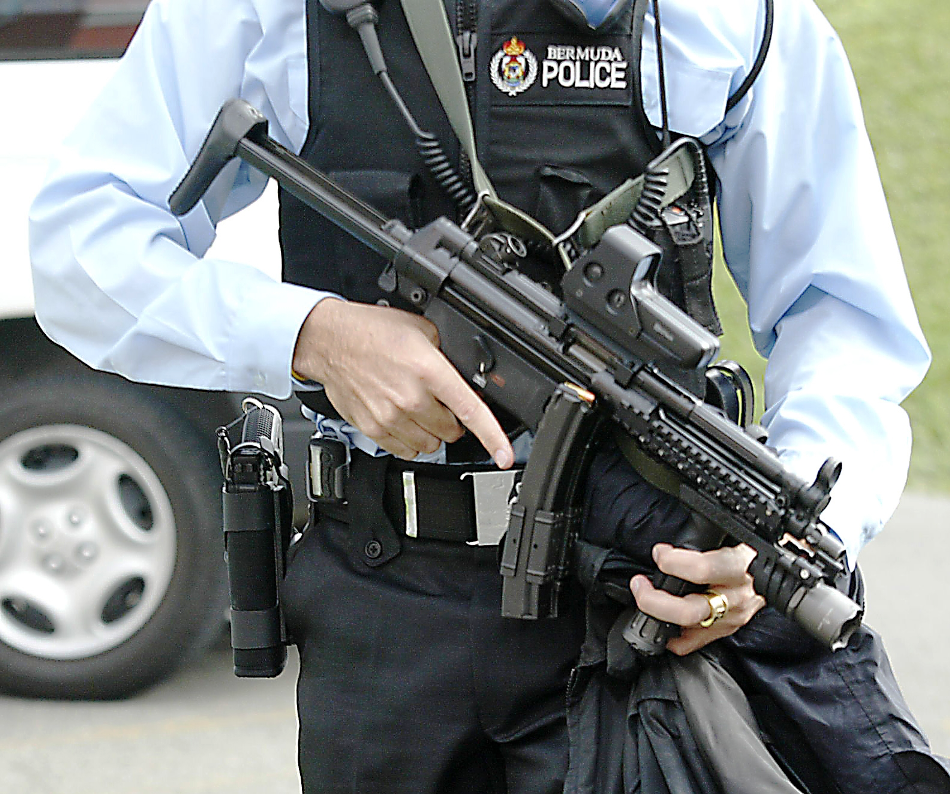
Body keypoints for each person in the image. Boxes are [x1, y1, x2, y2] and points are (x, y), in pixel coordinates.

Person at [28, 0, 935, 792]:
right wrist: (311, 335)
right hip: (384, 603)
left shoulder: (730, 15)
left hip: (632, 603)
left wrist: (782, 541)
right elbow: (83, 242)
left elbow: (844, 315)